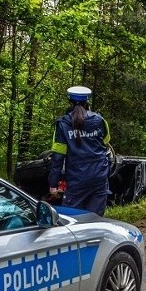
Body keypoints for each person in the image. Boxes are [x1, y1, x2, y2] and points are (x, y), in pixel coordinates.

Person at [48, 86, 111, 215]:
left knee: (71, 217)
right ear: (87, 101)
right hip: (99, 176)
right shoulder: (100, 120)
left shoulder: (63, 124)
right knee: (96, 217)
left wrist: (53, 184)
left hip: (77, 179)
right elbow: (106, 141)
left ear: (69, 101)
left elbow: (58, 157)